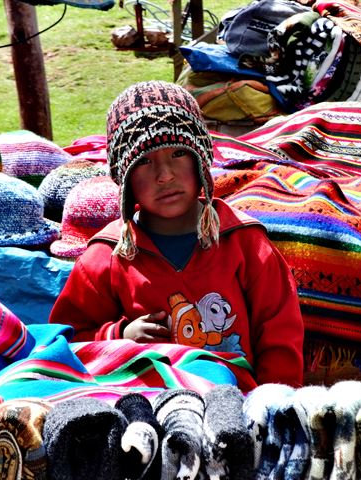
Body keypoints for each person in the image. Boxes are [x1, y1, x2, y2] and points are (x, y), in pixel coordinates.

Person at [49, 80, 304, 387]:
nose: (165, 175)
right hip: (144, 414)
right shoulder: (106, 257)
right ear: (124, 177)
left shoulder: (245, 242)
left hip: (240, 409)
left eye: (178, 154)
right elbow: (68, 344)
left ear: (201, 159)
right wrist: (119, 336)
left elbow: (280, 336)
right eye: (144, 161)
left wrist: (274, 406)